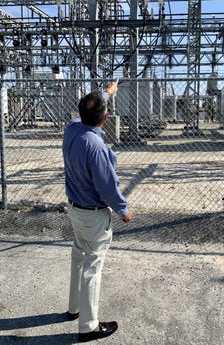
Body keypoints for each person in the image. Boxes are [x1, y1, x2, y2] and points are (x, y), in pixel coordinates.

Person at [63, 79, 133, 343]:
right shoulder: (98, 149)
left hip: (74, 209)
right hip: (93, 215)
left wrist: (107, 92)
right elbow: (108, 188)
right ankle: (88, 326)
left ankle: (74, 309)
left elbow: (88, 109)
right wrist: (124, 210)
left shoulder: (71, 130)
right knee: (93, 266)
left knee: (77, 257)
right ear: (106, 118)